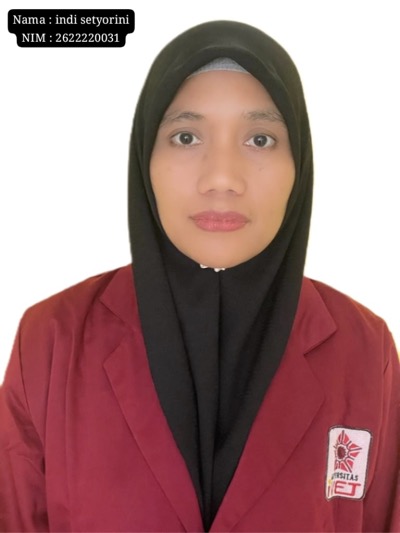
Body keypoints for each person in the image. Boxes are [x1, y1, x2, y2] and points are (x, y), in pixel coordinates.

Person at [0, 19, 399, 533]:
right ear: (145, 159)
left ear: (299, 166)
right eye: (185, 137)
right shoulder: (54, 340)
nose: (221, 178)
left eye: (260, 139)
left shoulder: (363, 348)